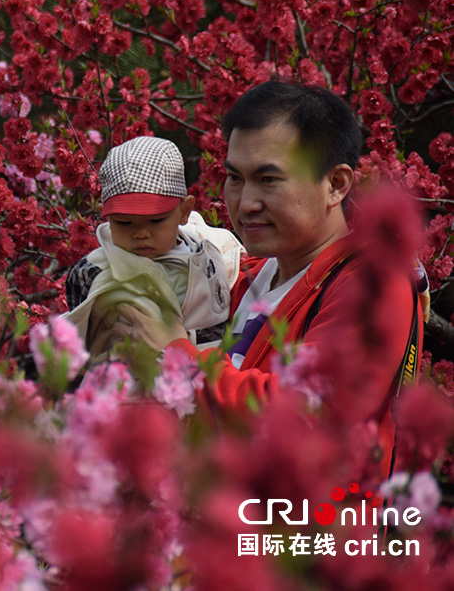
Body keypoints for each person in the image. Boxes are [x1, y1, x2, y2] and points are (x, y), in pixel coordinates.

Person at [114, 81, 424, 478]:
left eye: (269, 180)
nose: (246, 204)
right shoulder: (241, 277)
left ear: (336, 185)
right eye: (235, 178)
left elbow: (302, 413)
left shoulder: (373, 288)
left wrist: (176, 354)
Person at [64, 136, 245, 358]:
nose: (141, 233)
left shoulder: (211, 248)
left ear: (184, 211)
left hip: (210, 374)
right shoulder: (95, 271)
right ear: (106, 216)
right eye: (124, 223)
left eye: (156, 220)